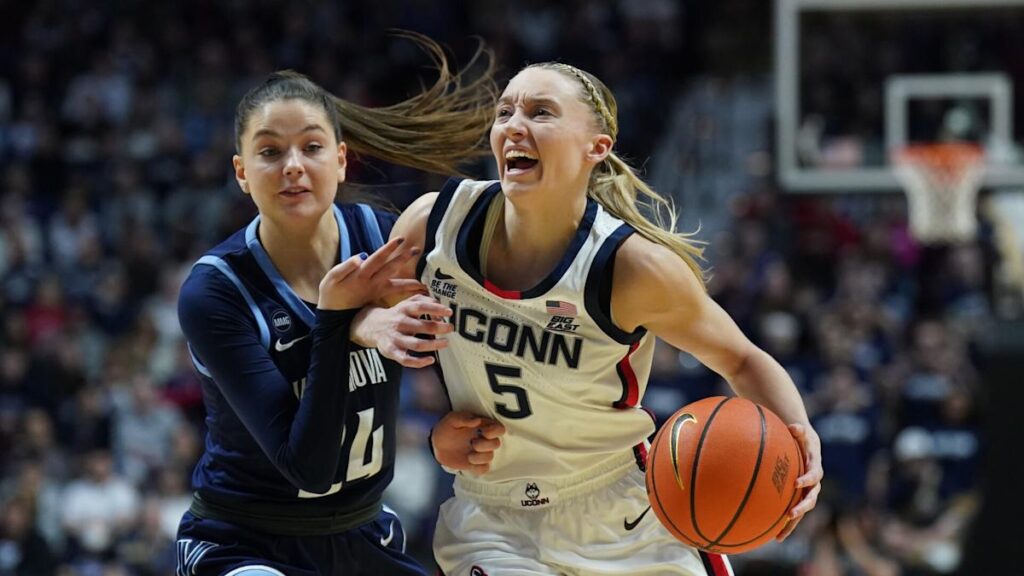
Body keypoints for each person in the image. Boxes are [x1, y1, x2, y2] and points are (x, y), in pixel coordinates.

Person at [388, 62, 825, 575]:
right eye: (505, 111)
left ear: (597, 147)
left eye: (541, 112)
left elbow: (742, 359)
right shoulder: (432, 226)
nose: (513, 125)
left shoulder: (632, 269)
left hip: (622, 511)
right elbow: (360, 339)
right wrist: (423, 427)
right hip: (493, 516)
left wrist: (801, 437)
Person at [174, 34, 496, 576]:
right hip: (245, 545)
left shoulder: (385, 239)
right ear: (241, 172)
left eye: (312, 147)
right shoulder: (215, 291)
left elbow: (452, 341)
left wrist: (446, 425)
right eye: (270, 151)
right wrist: (341, 325)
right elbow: (309, 469)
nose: (293, 165)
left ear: (342, 160)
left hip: (360, 534)